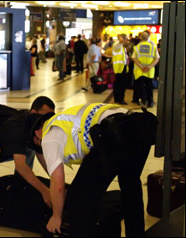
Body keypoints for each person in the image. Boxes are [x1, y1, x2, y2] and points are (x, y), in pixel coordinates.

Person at [24, 103, 158, 236]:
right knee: (130, 187)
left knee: (79, 200)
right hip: (141, 127)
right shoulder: (65, 118)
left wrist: (56, 217)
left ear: (37, 133)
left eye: (37, 144)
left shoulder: (48, 136)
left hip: (113, 133)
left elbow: (58, 185)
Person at [132, 30, 159, 108]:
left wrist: (141, 66)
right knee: (149, 87)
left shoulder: (137, 47)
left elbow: (134, 58)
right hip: (149, 71)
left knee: (140, 88)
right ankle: (150, 102)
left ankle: (143, 102)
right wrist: (149, 67)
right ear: (149, 37)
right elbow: (157, 58)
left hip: (139, 71)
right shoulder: (153, 46)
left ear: (141, 37)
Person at [112, 34, 129, 105]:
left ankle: (117, 98)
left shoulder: (122, 47)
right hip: (120, 68)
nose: (127, 41)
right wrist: (121, 38)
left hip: (122, 67)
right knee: (121, 85)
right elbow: (120, 41)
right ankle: (120, 99)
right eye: (126, 39)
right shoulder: (117, 44)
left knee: (119, 84)